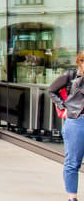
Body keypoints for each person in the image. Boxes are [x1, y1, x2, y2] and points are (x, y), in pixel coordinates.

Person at [49, 52, 84, 200]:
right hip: (77, 121)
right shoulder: (70, 76)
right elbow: (51, 90)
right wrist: (63, 106)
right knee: (73, 162)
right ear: (80, 62)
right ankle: (72, 197)